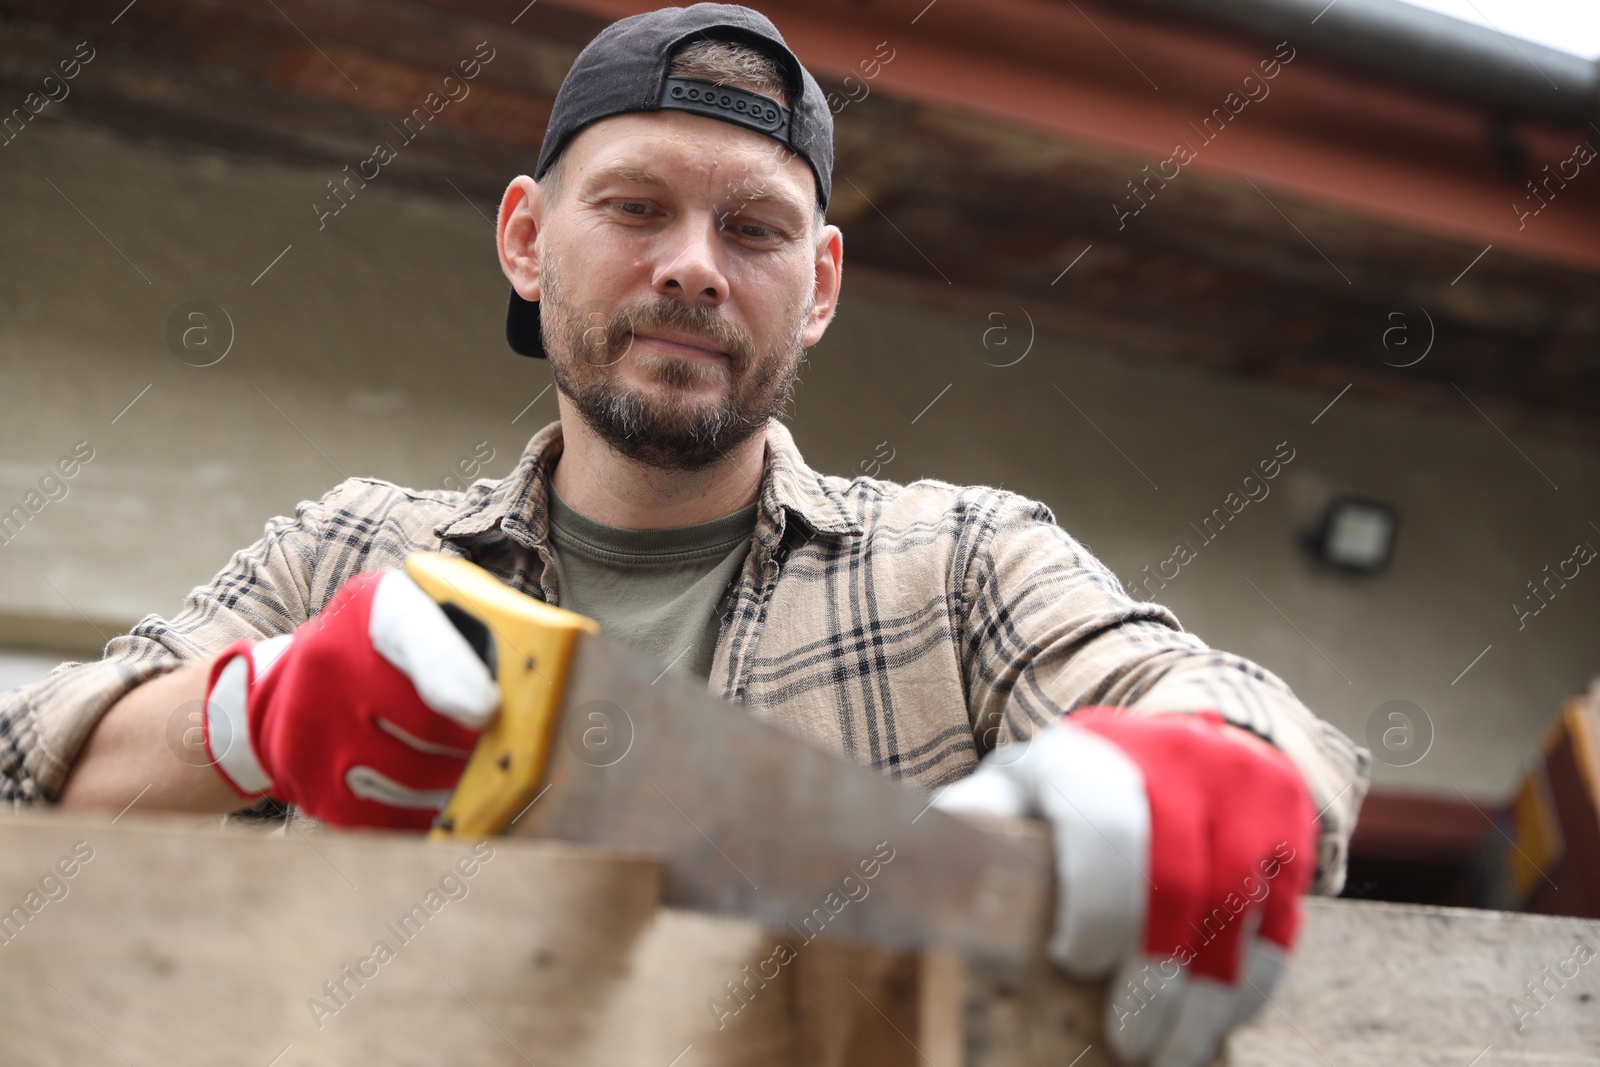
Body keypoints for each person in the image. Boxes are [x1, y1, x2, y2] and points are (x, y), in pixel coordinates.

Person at [1, 5, 1368, 1064]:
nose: (695, 265)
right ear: (528, 242)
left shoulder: (960, 567)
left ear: (819, 286)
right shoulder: (349, 554)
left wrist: (1212, 772)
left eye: (757, 227)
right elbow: (26, 773)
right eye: (637, 207)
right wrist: (247, 717)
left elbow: (1254, 724)